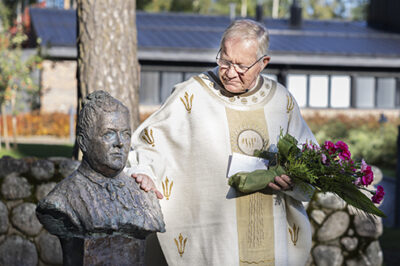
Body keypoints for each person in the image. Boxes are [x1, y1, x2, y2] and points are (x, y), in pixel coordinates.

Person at [126, 19, 316, 266]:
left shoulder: (282, 101)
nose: (229, 72)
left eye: (241, 65)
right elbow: (152, 142)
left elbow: (308, 157)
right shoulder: (192, 95)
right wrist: (144, 171)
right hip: (212, 237)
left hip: (273, 230)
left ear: (263, 64)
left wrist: (294, 180)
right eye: (225, 60)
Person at [36, 90, 164, 240]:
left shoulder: (144, 193)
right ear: (83, 142)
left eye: (126, 134)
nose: (120, 143)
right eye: (109, 134)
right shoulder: (60, 201)